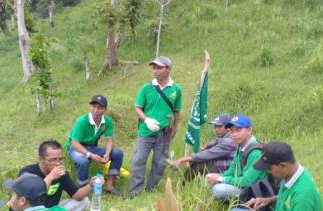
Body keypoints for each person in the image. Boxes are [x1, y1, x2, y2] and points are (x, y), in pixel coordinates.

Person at [129, 56, 182, 197]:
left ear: (168, 69)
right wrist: (146, 120)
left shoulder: (176, 89)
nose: (155, 70)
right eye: (154, 67)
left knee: (160, 163)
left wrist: (175, 128)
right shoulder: (146, 88)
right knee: (139, 160)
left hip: (165, 131)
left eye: (159, 67)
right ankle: (135, 192)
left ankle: (150, 189)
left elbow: (176, 111)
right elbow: (138, 107)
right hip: (146, 131)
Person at [14, 140, 91, 211]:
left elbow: (76, 195)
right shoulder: (28, 172)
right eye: (53, 160)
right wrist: (51, 176)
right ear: (40, 158)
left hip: (51, 210)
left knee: (85, 201)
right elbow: (33, 197)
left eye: (60, 159)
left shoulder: (62, 173)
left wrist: (92, 185)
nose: (58, 163)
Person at [65, 95, 123, 196]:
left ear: (105, 109)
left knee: (117, 153)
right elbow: (74, 144)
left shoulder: (107, 121)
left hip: (91, 146)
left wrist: (107, 154)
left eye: (100, 107)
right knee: (83, 160)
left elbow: (109, 140)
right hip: (75, 148)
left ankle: (109, 186)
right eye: (93, 106)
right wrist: (90, 155)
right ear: (90, 107)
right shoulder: (82, 121)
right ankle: (83, 190)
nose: (96, 110)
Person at [205, 114, 268, 201]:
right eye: (231, 131)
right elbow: (231, 170)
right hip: (244, 184)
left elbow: (246, 181)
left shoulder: (255, 152)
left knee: (218, 190)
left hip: (257, 191)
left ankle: (236, 204)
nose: (234, 134)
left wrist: (220, 179)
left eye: (238, 130)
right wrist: (218, 177)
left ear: (249, 130)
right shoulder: (241, 146)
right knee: (210, 177)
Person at [171, 114, 236, 181]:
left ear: (228, 127)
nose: (216, 129)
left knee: (199, 162)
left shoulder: (229, 142)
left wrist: (182, 160)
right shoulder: (226, 136)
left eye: (220, 126)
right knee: (198, 158)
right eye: (215, 126)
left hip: (228, 172)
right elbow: (215, 141)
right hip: (223, 166)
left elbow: (208, 154)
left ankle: (182, 185)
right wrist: (205, 146)